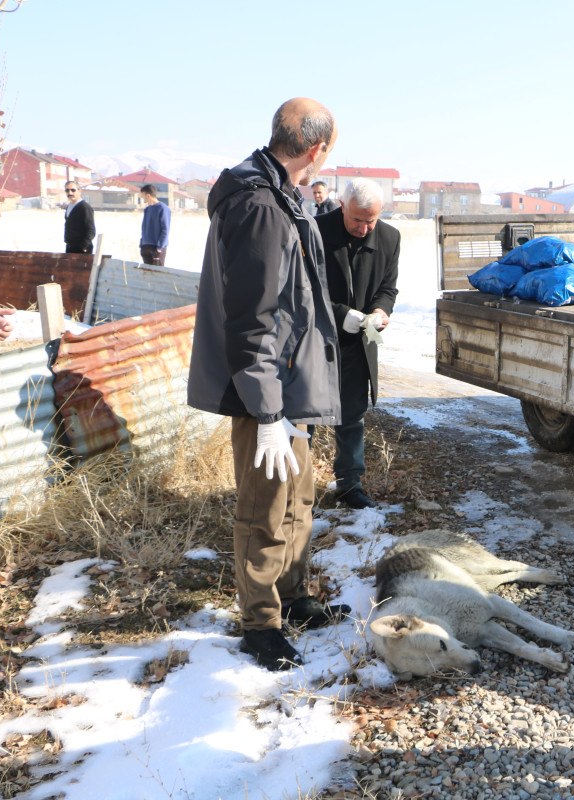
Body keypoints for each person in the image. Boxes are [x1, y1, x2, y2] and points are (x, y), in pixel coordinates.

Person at [187, 97, 351, 672]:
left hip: (289, 385)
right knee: (265, 506)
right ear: (316, 149)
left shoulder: (284, 194)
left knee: (299, 497)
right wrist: (267, 413)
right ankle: (261, 623)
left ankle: (293, 596)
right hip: (267, 392)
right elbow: (252, 321)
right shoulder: (259, 205)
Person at [317, 177, 399, 509]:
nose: (364, 229)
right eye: (357, 220)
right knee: (306, 414)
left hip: (359, 343)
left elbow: (388, 287)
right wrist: (340, 314)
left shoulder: (390, 238)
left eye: (371, 221)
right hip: (317, 338)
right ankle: (296, 489)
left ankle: (349, 484)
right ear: (342, 206)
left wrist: (380, 310)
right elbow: (304, 288)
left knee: (352, 414)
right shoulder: (316, 231)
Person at [138, 183, 171, 265]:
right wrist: (142, 244)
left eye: (143, 196)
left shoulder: (163, 208)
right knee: (146, 272)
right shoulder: (147, 209)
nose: (142, 198)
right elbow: (144, 228)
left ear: (148, 195)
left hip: (156, 248)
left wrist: (160, 246)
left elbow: (165, 229)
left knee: (158, 272)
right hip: (145, 247)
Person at [63, 181, 95, 254]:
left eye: (73, 190)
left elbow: (91, 231)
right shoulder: (69, 206)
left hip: (82, 250)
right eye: (67, 190)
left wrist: (83, 247)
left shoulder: (84, 207)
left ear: (79, 191)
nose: (70, 193)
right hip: (70, 248)